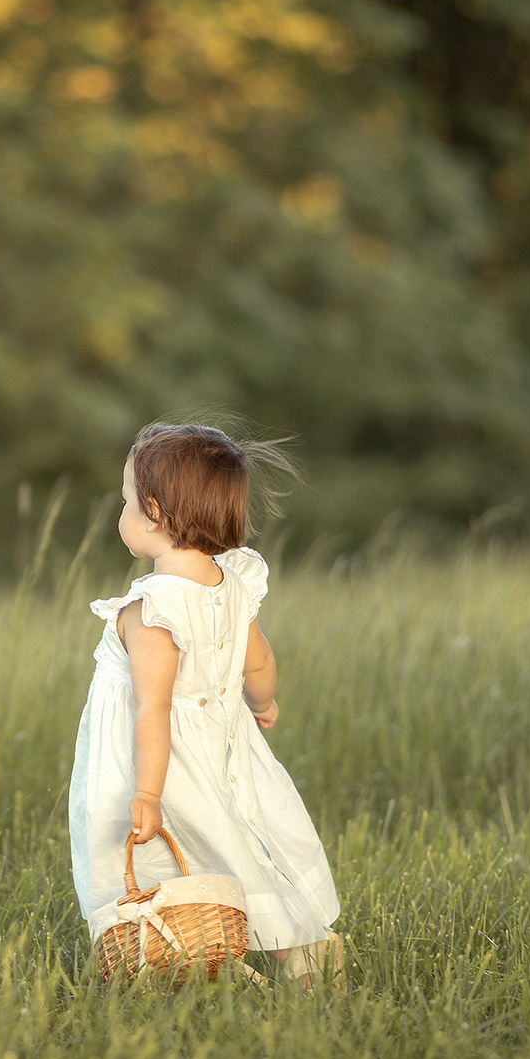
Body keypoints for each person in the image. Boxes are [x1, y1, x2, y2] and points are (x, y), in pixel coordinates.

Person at [69, 422, 343, 987]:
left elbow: (152, 708)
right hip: (223, 745)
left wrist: (147, 793)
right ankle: (288, 948)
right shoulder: (231, 584)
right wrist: (263, 703)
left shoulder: (150, 610)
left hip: (165, 764)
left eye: (125, 501)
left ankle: (180, 947)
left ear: (152, 513)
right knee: (234, 844)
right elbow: (257, 660)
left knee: (178, 854)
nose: (123, 512)